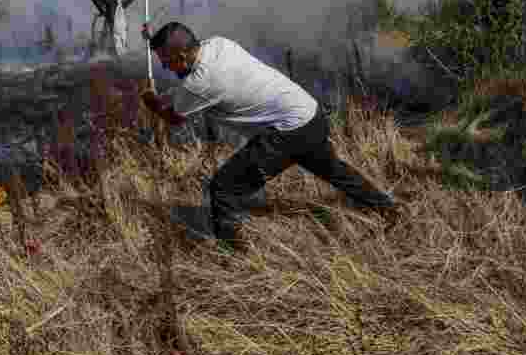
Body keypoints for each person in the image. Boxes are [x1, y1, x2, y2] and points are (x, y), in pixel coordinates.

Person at [139, 21, 398, 252]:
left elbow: (173, 117)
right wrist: (153, 41)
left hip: (288, 131)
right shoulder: (219, 44)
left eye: (167, 62)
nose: (164, 66)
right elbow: (186, 83)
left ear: (183, 55)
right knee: (333, 170)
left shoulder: (201, 82)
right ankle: (387, 206)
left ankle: (233, 257)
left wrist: (152, 102)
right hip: (309, 113)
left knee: (224, 188)